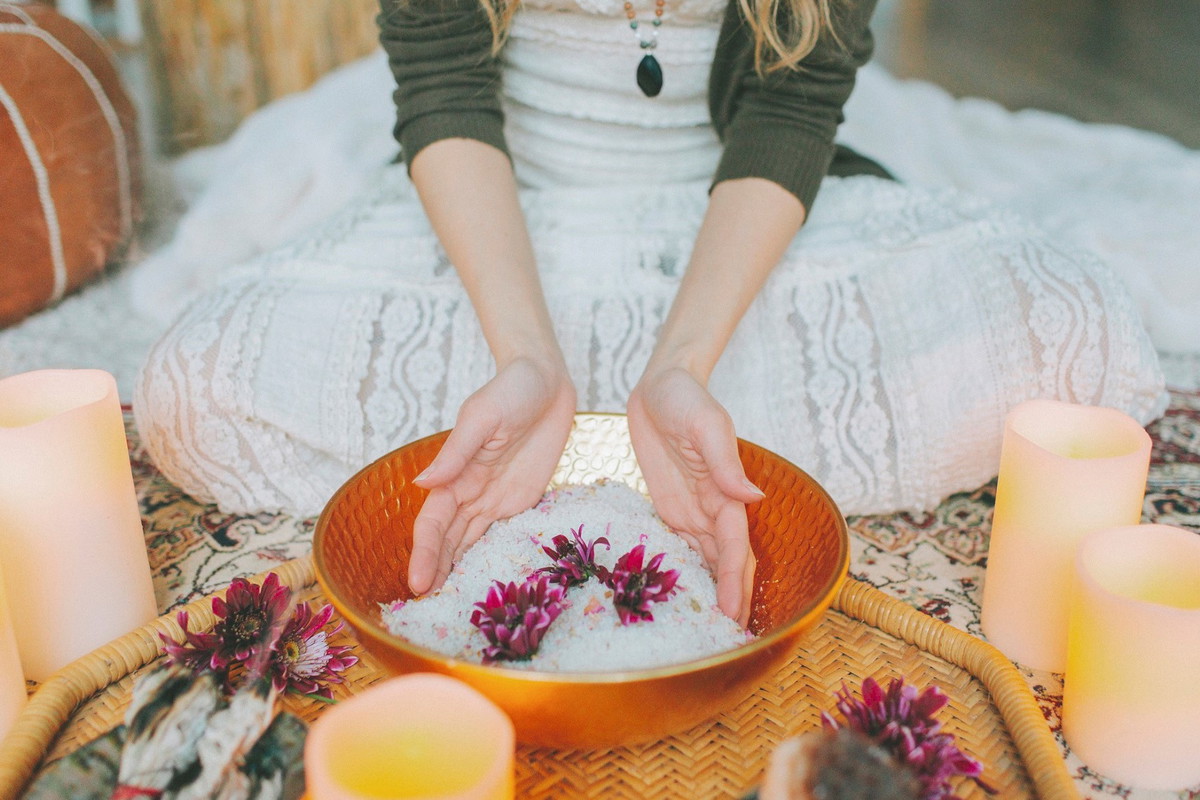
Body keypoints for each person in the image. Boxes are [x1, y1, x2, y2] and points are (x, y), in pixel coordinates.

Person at [134, 0, 1165, 627]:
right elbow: (441, 79)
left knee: (1073, 333)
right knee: (192, 390)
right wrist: (527, 354)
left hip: (738, 216)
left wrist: (683, 365)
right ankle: (564, 416)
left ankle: (651, 422)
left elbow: (793, 104)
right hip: (499, 215)